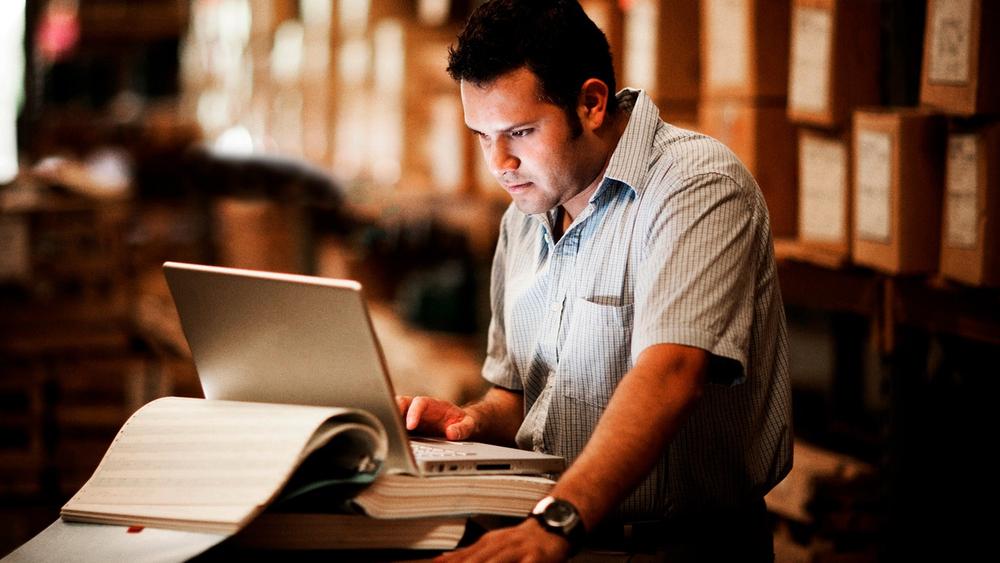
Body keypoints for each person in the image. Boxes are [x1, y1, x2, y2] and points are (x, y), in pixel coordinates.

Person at [396, 1, 792, 560]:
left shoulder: (696, 187)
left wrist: (555, 522)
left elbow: (672, 373)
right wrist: (469, 424)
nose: (499, 162)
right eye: (483, 136)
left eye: (521, 132)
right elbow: (518, 395)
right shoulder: (524, 215)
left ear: (591, 102)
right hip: (559, 536)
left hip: (679, 548)